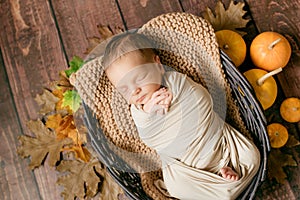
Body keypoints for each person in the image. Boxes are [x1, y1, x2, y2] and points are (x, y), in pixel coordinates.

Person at [102, 32, 260, 200]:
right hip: (186, 168)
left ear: (158, 65)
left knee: (252, 157)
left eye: (139, 78)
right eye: (124, 89)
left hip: (220, 145)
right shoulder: (138, 111)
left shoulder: (176, 82)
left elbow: (202, 99)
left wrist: (177, 98)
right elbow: (149, 139)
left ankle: (223, 179)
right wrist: (149, 112)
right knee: (177, 187)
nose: (135, 90)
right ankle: (224, 183)